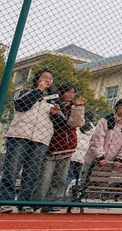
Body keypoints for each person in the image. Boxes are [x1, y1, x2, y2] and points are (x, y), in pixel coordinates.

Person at [0, 69, 58, 213]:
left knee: (32, 172)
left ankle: (24, 203)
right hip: (19, 135)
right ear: (37, 79)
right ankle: (4, 201)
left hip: (41, 138)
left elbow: (60, 122)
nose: (47, 80)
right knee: (12, 168)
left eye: (50, 78)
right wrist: (39, 90)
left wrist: (55, 113)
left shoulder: (54, 99)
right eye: (44, 77)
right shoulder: (23, 92)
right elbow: (21, 105)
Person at [33, 82, 85, 213]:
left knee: (60, 179)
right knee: (44, 178)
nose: (70, 95)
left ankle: (51, 204)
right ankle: (34, 203)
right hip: (50, 145)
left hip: (67, 146)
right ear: (61, 92)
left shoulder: (74, 106)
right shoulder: (52, 104)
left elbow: (77, 123)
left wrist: (77, 107)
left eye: (73, 92)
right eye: (68, 91)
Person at [80, 98, 122, 191]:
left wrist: (120, 158)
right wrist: (100, 156)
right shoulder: (105, 120)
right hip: (94, 158)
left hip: (109, 161)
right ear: (117, 106)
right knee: (85, 183)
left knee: (102, 186)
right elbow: (98, 139)